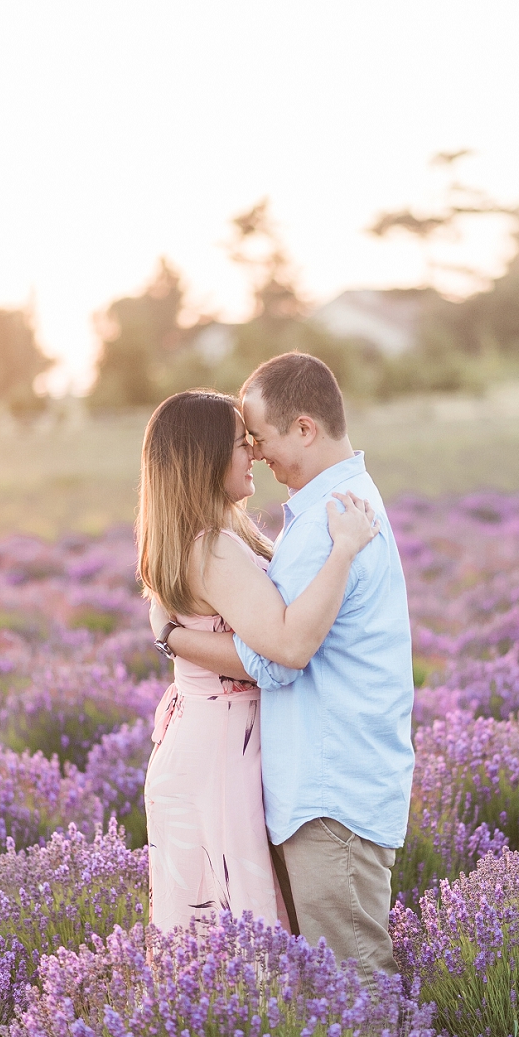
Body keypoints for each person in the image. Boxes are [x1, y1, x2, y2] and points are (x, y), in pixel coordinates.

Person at [157, 352, 414, 980]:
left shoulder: (329, 525)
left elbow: (282, 659)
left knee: (352, 979)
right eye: (243, 443)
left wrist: (176, 641)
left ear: (303, 428)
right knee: (318, 971)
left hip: (330, 784)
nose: (257, 453)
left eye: (260, 437)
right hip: (320, 776)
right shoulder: (330, 512)